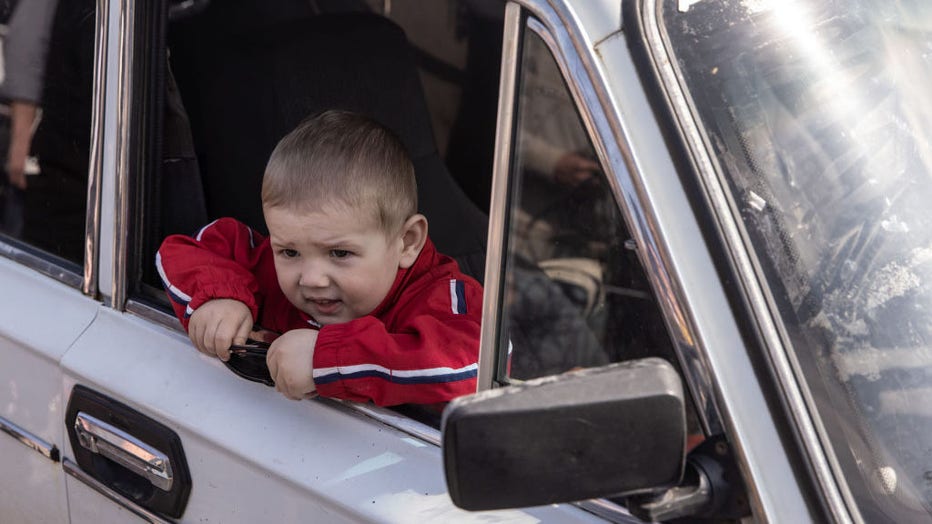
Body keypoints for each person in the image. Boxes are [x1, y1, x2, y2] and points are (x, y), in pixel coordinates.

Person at [156, 110, 482, 406]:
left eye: (339, 253)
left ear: (407, 242)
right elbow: (186, 249)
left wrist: (327, 359)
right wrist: (220, 296)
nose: (311, 278)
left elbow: (474, 368)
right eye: (290, 251)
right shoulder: (268, 268)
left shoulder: (441, 298)